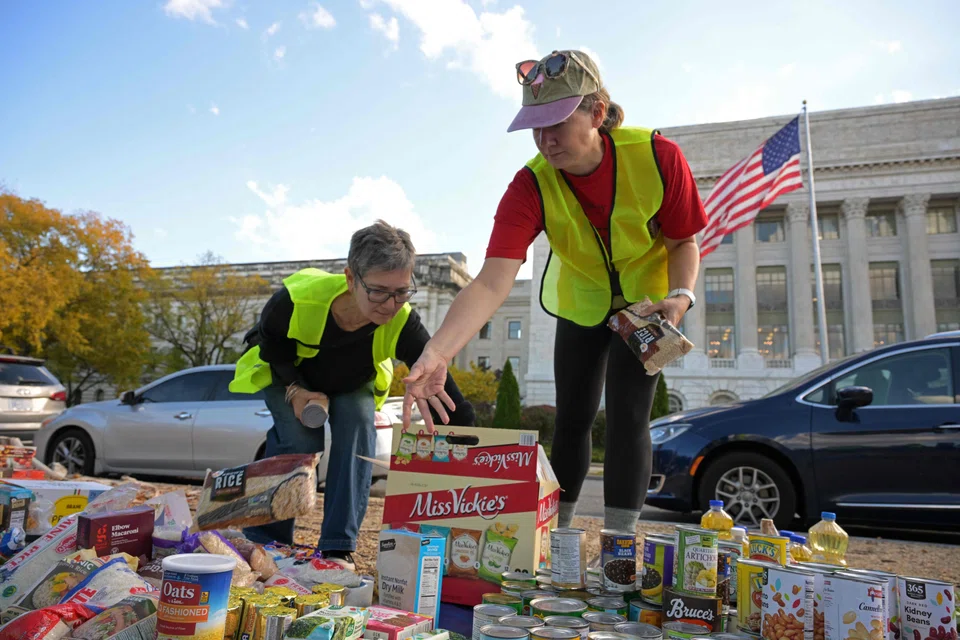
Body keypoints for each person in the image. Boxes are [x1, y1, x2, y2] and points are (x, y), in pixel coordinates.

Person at [403, 50, 707, 533]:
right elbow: (490, 280)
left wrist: (682, 296)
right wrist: (437, 351)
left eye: (557, 123)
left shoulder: (657, 156)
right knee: (573, 418)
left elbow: (683, 240)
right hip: (581, 303)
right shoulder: (529, 185)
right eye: (536, 126)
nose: (546, 140)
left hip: (649, 306)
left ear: (597, 113)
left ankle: (618, 549)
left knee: (629, 416)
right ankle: (557, 537)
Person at [230, 220, 476, 569]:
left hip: (350, 383)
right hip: (290, 375)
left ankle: (337, 546)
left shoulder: (403, 320)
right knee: (300, 436)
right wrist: (296, 390)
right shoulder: (295, 300)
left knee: (359, 422)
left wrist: (473, 440)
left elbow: (442, 383)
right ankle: (267, 540)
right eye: (378, 291)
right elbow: (270, 345)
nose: (390, 305)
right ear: (350, 278)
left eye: (401, 291)